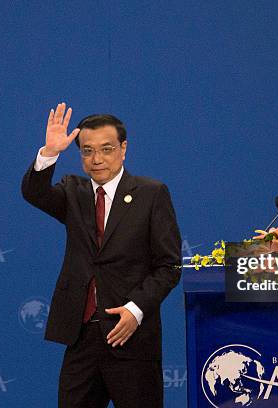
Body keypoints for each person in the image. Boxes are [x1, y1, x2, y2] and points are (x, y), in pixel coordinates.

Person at [21, 102, 182, 408]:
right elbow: (34, 193)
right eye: (87, 151)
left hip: (130, 338)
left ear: (123, 149)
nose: (96, 159)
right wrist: (50, 152)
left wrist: (135, 311)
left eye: (106, 149)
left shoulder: (151, 193)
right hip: (80, 337)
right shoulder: (73, 192)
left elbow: (169, 266)